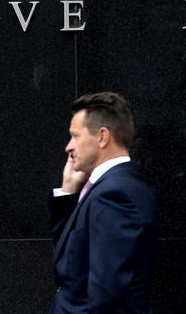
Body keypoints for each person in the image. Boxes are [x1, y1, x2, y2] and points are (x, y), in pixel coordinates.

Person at [49, 92, 157, 313]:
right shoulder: (110, 188)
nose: (68, 147)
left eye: (75, 136)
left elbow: (106, 296)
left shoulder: (115, 194)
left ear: (102, 137)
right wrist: (69, 192)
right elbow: (70, 267)